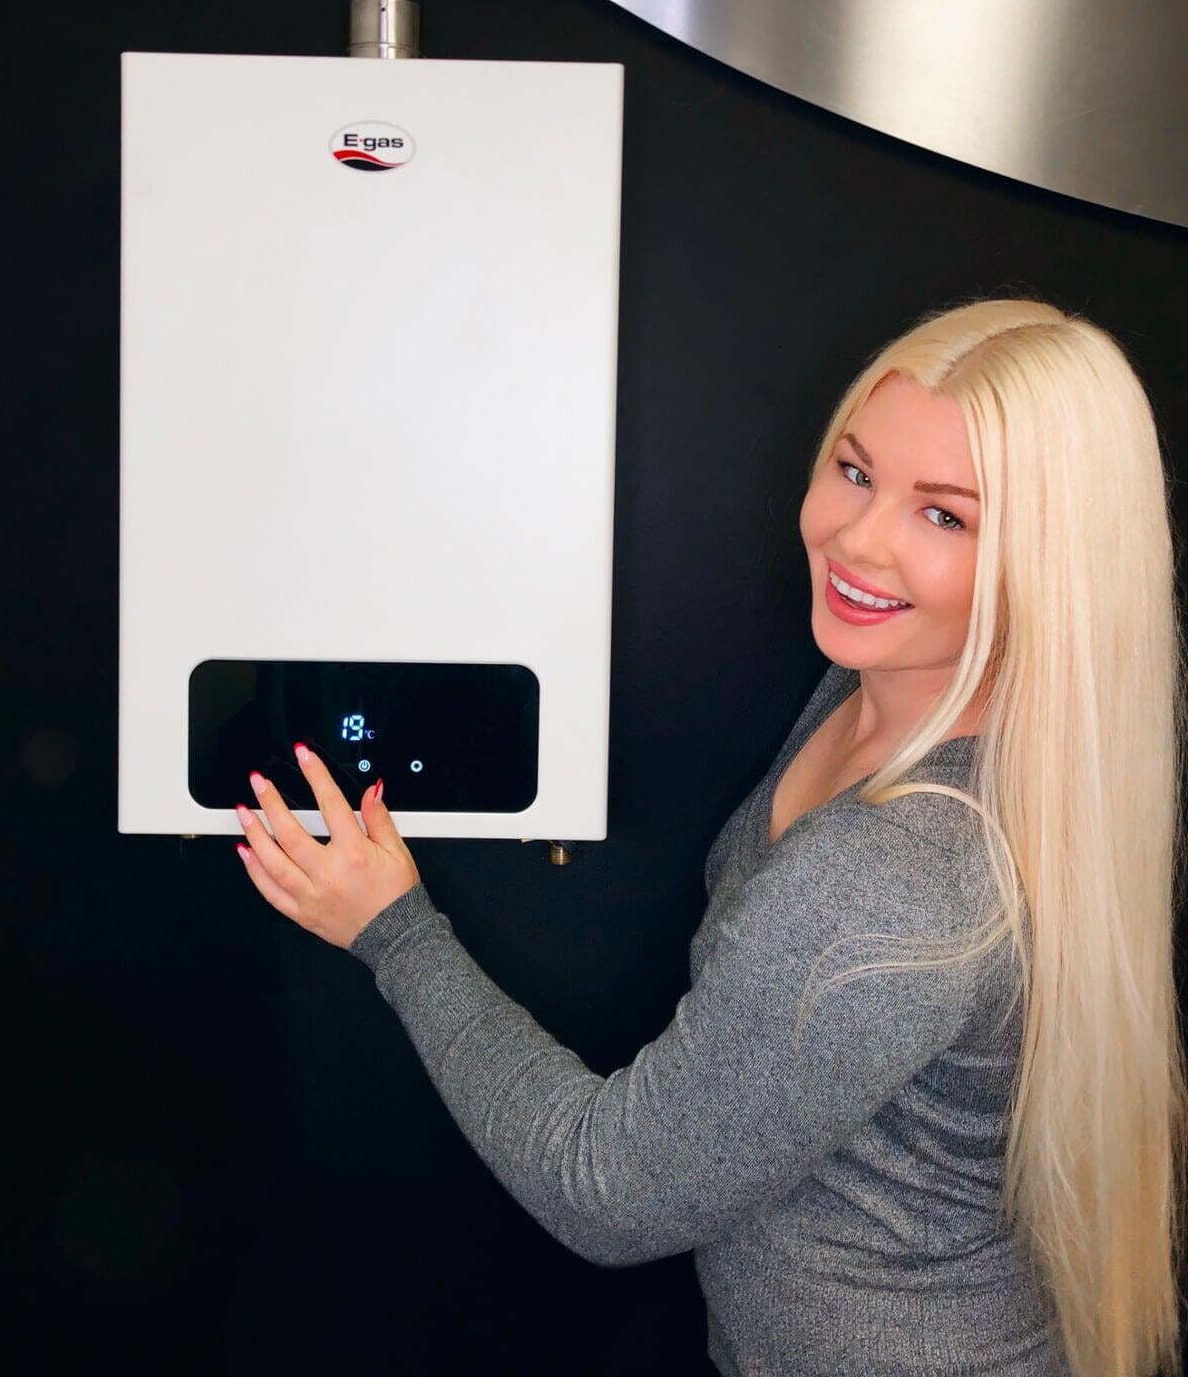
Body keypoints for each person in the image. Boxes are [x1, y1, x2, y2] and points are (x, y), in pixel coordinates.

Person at [235, 296, 1188, 1377]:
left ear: (1053, 567)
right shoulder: (879, 681)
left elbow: (607, 1190)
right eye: (857, 469)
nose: (857, 539)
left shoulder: (894, 877)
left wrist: (394, 931)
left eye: (946, 516)